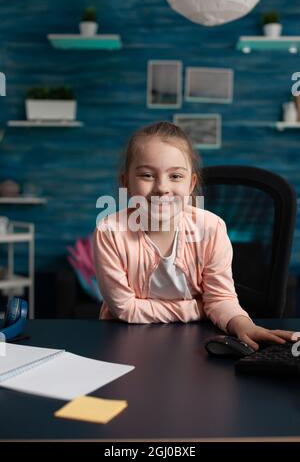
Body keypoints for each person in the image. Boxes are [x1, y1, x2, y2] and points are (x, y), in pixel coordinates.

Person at [93, 121, 295, 350]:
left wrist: (242, 324)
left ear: (192, 183)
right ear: (126, 183)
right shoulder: (110, 232)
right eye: (147, 175)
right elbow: (125, 308)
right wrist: (199, 308)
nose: (162, 187)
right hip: (128, 340)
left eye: (176, 176)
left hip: (197, 342)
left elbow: (220, 299)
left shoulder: (211, 228)